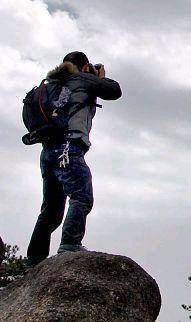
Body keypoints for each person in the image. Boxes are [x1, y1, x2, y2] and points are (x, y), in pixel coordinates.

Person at [26, 51, 122, 265]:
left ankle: (34, 260)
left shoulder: (49, 85)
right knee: (81, 197)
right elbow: (115, 91)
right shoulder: (82, 79)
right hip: (69, 148)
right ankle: (69, 245)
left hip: (48, 150)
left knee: (50, 209)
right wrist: (100, 77)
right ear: (85, 66)